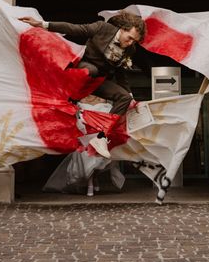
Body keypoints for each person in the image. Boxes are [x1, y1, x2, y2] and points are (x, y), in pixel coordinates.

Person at [19, 12, 146, 158]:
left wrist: (130, 96)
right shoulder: (103, 28)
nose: (130, 43)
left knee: (124, 98)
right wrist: (43, 24)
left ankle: (101, 138)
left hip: (97, 80)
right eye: (130, 38)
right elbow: (74, 28)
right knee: (92, 70)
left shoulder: (130, 49)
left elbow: (120, 73)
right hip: (81, 71)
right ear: (122, 29)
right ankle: (70, 103)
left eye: (134, 41)